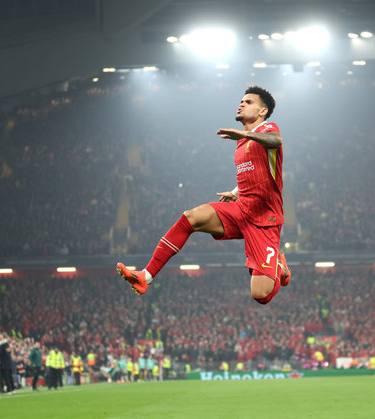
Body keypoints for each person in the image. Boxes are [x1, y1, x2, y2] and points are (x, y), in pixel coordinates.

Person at [117, 86, 291, 304]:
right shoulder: (241, 143)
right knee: (191, 217)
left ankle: (279, 267)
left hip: (266, 219)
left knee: (260, 295)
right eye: (241, 101)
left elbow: (277, 140)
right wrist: (235, 192)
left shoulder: (267, 129)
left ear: (262, 111)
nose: (241, 104)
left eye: (248, 102)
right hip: (241, 209)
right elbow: (256, 171)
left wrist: (247, 133)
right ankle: (146, 276)